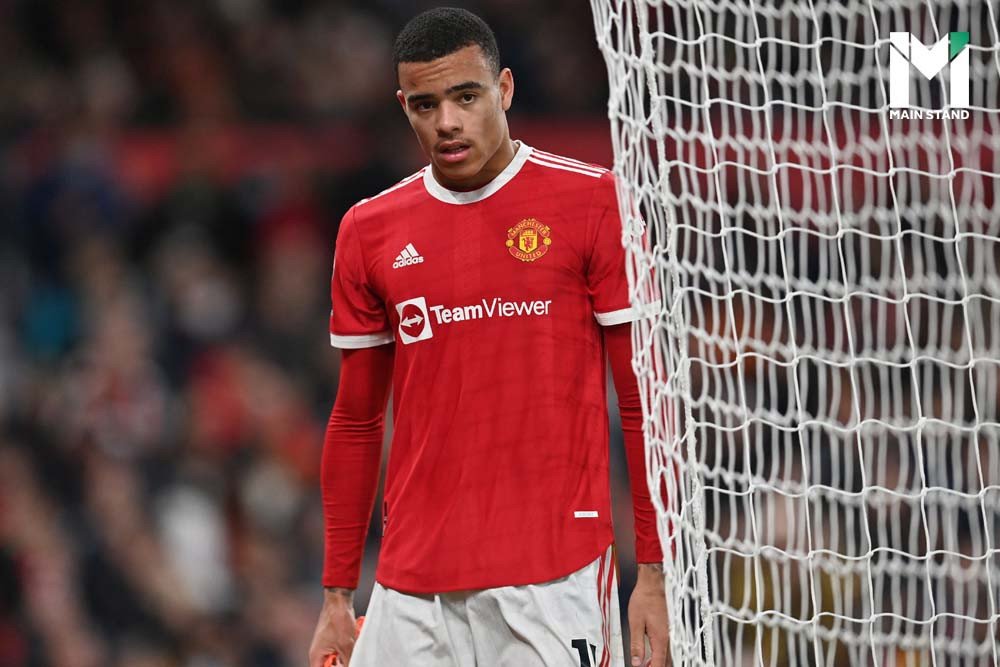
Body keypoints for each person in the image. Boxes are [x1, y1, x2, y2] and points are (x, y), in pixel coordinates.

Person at [308, 7, 668, 667]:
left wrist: (655, 572)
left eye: (466, 96)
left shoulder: (592, 202)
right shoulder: (369, 230)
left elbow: (645, 399)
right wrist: (337, 593)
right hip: (409, 585)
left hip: (554, 578)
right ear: (404, 107)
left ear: (503, 89)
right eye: (426, 104)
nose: (447, 121)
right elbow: (356, 419)